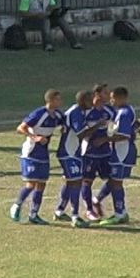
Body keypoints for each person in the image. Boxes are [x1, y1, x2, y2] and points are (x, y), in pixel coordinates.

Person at [10, 89, 64, 225]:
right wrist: (35, 137)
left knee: (42, 184)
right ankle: (16, 206)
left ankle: (34, 214)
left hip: (44, 154)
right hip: (31, 152)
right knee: (31, 183)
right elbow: (21, 128)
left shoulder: (57, 115)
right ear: (50, 100)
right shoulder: (39, 113)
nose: (60, 102)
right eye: (57, 99)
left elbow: (65, 123)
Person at [94, 86, 140, 226]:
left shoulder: (124, 113)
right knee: (114, 180)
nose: (111, 100)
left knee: (116, 182)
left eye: (113, 98)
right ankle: (99, 200)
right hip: (122, 151)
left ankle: (119, 214)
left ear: (121, 98)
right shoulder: (125, 110)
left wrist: (104, 140)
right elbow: (135, 123)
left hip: (123, 152)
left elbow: (123, 135)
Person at [53, 90, 99, 228]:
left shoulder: (78, 111)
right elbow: (81, 134)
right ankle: (75, 216)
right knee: (76, 182)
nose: (93, 102)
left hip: (73, 152)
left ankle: (59, 211)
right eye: (91, 99)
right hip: (68, 153)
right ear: (83, 101)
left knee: (70, 182)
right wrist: (97, 126)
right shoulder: (76, 113)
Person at [80, 83, 116, 222]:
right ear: (97, 94)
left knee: (113, 180)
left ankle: (97, 199)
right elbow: (79, 131)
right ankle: (89, 210)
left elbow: (120, 120)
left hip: (106, 151)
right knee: (87, 181)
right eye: (106, 93)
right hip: (88, 152)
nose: (109, 96)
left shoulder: (109, 110)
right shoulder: (86, 111)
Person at [18, 0, 83, 52]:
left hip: (44, 18)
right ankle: (47, 44)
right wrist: (36, 15)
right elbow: (22, 13)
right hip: (30, 21)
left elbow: (53, 6)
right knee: (45, 21)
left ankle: (74, 42)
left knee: (61, 20)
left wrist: (55, 11)